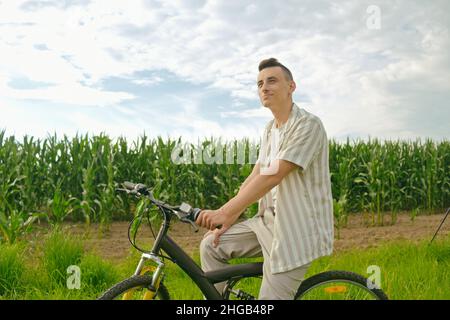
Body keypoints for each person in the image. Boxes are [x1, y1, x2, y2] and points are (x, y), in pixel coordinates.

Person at [195, 58, 334, 300]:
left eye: (271, 81)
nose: (264, 88)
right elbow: (257, 173)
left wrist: (225, 212)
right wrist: (229, 216)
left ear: (291, 86)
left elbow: (275, 174)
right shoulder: (270, 129)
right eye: (259, 84)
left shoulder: (308, 125)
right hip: (266, 223)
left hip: (296, 232)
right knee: (211, 246)